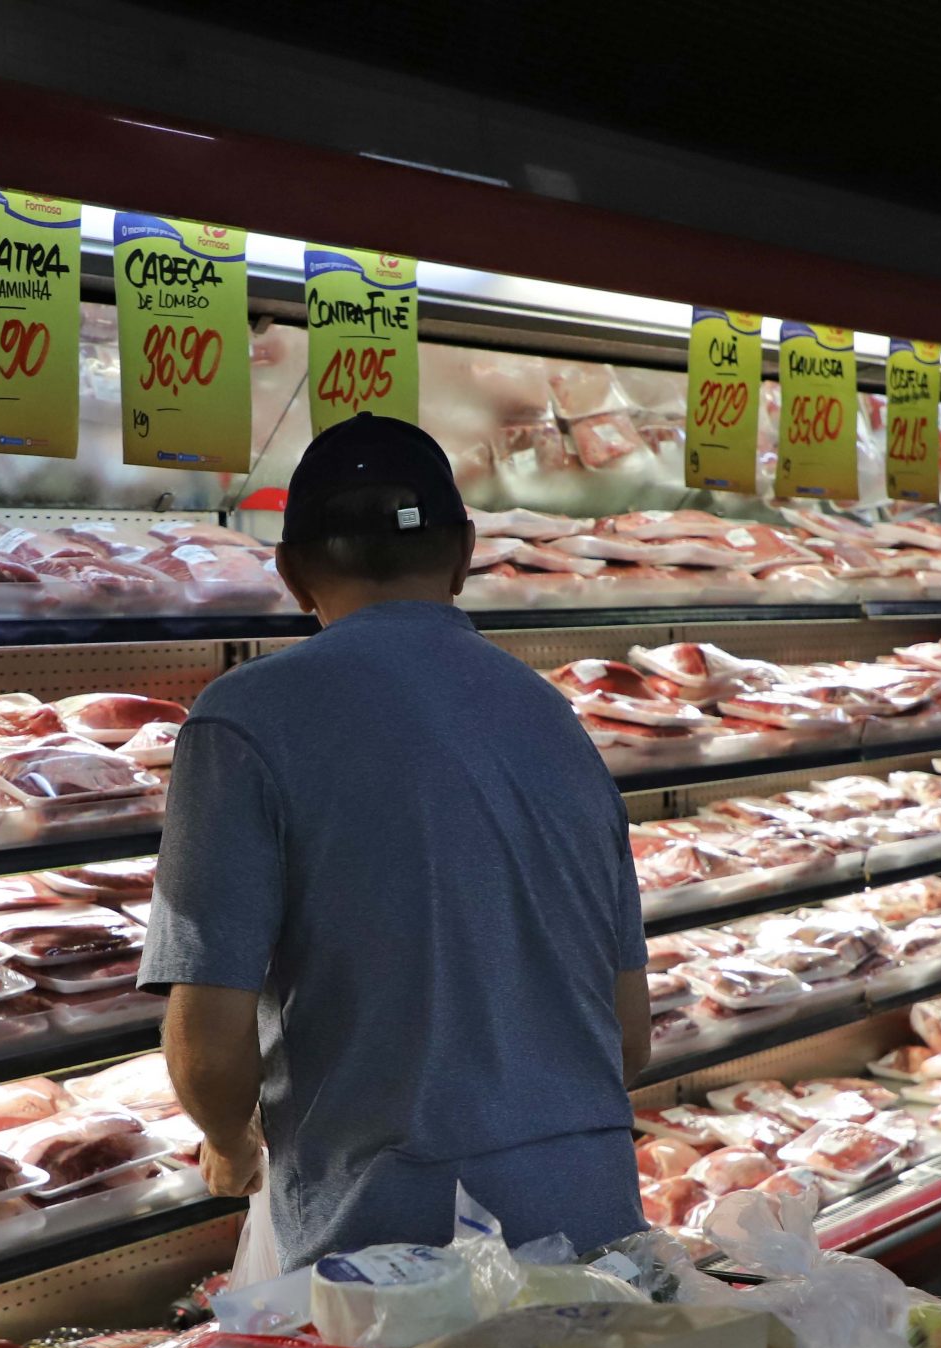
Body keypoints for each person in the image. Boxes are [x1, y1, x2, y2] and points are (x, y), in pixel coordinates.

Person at [137, 413, 648, 1267]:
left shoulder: (247, 717)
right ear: (462, 554)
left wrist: (229, 1140)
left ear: (292, 573)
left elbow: (210, 1043)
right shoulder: (556, 717)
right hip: (600, 1234)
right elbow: (629, 1036)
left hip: (393, 1258)